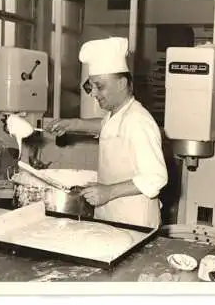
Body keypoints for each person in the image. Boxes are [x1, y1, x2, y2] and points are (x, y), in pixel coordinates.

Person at [46, 37, 168, 228]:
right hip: (112, 216)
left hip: (134, 222)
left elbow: (156, 177)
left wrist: (109, 192)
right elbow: (110, 128)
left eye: (100, 86)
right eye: (91, 86)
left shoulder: (139, 121)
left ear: (121, 83)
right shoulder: (118, 114)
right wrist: (74, 124)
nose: (93, 93)